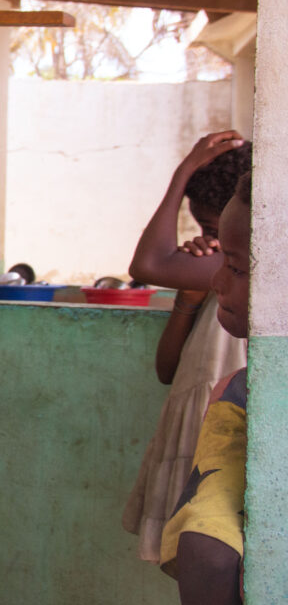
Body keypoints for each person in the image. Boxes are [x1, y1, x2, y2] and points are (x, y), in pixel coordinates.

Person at [123, 131, 250, 562]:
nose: (206, 238)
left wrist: (182, 174)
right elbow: (167, 369)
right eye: (202, 227)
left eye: (212, 227)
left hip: (219, 432)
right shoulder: (212, 271)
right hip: (192, 425)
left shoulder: (248, 264)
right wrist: (188, 297)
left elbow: (147, 264)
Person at [159, 170, 252, 605]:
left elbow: (207, 552)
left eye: (236, 268)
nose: (218, 281)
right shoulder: (234, 399)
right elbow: (165, 367)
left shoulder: (239, 400)